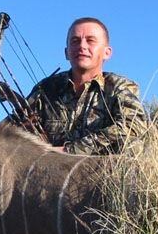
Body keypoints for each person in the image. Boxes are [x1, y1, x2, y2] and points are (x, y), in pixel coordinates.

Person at [22, 17, 146, 155]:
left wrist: (70, 151)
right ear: (66, 52)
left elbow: (134, 126)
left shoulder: (119, 86)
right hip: (50, 172)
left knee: (131, 144)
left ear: (107, 52)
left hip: (101, 170)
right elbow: (14, 126)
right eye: (75, 41)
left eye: (90, 41)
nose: (82, 46)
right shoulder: (46, 88)